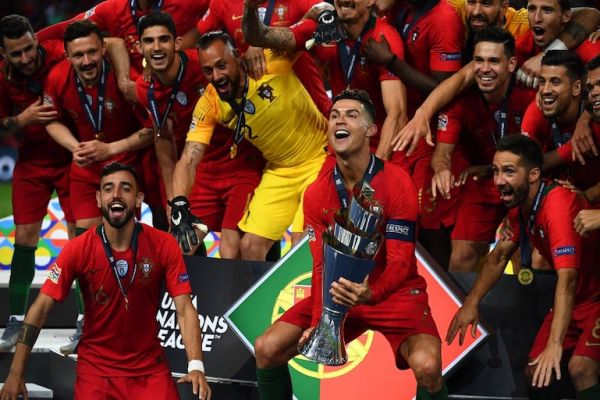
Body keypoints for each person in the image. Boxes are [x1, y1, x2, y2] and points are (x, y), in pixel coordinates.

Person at [254, 89, 447, 400]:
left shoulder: (397, 183)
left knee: (428, 367)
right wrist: (320, 323)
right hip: (339, 293)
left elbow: (401, 262)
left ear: (371, 130)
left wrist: (373, 293)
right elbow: (320, 266)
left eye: (351, 115)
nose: (339, 120)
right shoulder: (317, 194)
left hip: (394, 294)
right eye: (334, 115)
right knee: (266, 348)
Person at [0, 162, 211, 400]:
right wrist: (16, 373)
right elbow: (39, 311)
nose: (116, 195)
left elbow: (184, 309)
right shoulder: (78, 249)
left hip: (149, 371)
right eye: (109, 189)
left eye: (125, 188)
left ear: (139, 198)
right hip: (96, 373)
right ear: (99, 199)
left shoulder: (163, 244)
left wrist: (196, 366)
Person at [447, 134, 599, 400]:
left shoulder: (557, 208)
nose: (498, 181)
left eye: (509, 171)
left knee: (580, 368)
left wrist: (554, 344)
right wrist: (471, 302)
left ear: (533, 174)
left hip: (596, 296)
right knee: (534, 374)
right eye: (495, 171)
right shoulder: (523, 207)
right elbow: (497, 258)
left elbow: (568, 279)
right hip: (577, 301)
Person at [42, 20, 153, 353]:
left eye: (92, 52)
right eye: (79, 55)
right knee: (86, 245)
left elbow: (154, 128)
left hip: (130, 164)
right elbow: (51, 120)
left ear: (103, 49)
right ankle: (87, 322)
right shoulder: (58, 79)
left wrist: (111, 149)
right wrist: (74, 146)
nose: (87, 60)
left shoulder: (128, 77)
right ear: (67, 55)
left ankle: (139, 319)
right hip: (88, 169)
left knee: (134, 240)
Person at [172, 31, 327, 261]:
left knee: (300, 245)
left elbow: (308, 22)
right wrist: (179, 204)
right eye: (208, 71)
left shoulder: (268, 61)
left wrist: (265, 37)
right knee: (250, 247)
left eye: (221, 65)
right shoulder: (210, 103)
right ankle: (262, 298)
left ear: (236, 55)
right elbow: (189, 157)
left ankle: (307, 298)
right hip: (280, 171)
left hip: (319, 159)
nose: (216, 76)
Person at [394, 0, 600, 155]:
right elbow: (461, 79)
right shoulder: (459, 11)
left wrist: (587, 117)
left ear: (504, 7)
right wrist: (423, 113)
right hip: (540, 138)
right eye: (532, 9)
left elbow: (591, 14)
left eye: (546, 10)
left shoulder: (526, 28)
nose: (537, 17)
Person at [136, 12, 264, 258]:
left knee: (232, 249)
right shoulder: (145, 89)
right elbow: (163, 138)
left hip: (240, 161)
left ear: (177, 43)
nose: (157, 47)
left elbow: (238, 66)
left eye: (163, 40)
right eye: (149, 41)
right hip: (201, 167)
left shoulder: (204, 64)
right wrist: (173, 198)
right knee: (176, 248)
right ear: (140, 47)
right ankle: (193, 297)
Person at [362, 0, 466, 268]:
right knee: (401, 215)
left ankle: (438, 291)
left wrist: (390, 62)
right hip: (409, 131)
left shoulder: (444, 18)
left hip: (434, 133)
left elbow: (444, 89)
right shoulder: (406, 8)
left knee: (429, 222)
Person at [243, 0, 408, 162]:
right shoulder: (321, 30)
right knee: (316, 190)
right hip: (342, 145)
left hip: (382, 143)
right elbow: (259, 37)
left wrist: (375, 170)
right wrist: (250, 7)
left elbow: (396, 113)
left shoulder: (384, 37)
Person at [431, 27, 535, 272]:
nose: (484, 68)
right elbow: (442, 154)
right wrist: (442, 170)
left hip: (525, 184)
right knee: (461, 259)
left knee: (525, 260)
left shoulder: (531, 96)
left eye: (493, 61)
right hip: (484, 182)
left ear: (511, 64)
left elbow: (535, 160)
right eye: (478, 60)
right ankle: (461, 308)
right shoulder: (459, 99)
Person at [0, 15, 73, 352]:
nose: (26, 58)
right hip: (32, 163)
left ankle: (88, 323)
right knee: (25, 239)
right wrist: (20, 119)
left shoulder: (60, 53)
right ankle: (16, 320)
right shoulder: (1, 77)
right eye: (16, 54)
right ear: (4, 54)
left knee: (81, 240)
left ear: (36, 40)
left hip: (72, 158)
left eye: (29, 49)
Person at [180, 0, 332, 115]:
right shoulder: (222, 2)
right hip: (260, 98)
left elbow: (324, 9)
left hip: (304, 87)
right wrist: (174, 50)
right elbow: (201, 36)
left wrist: (266, 38)